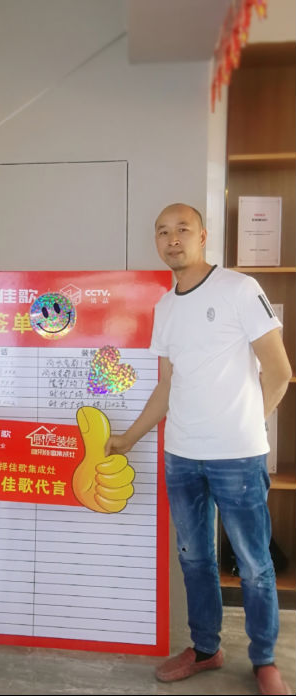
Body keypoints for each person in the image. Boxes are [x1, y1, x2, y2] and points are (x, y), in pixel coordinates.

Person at [105, 203, 292, 696]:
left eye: (182, 229)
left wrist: (248, 424)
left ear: (203, 236)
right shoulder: (165, 307)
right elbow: (167, 385)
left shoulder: (239, 288)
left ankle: (264, 660)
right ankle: (206, 649)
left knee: (253, 563)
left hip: (238, 456)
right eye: (162, 231)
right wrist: (130, 437)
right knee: (194, 557)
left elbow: (279, 371)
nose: (172, 239)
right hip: (182, 456)